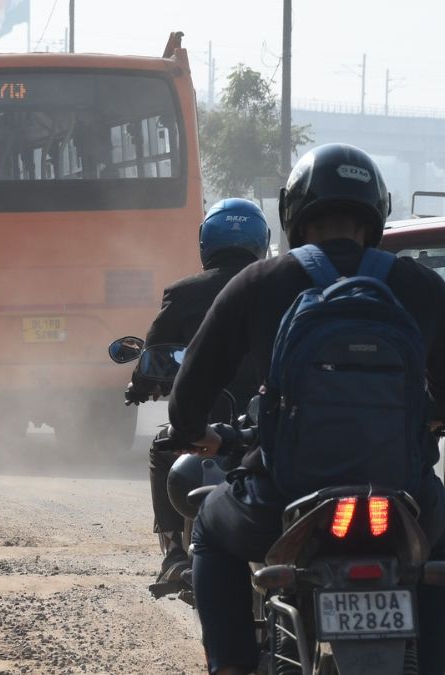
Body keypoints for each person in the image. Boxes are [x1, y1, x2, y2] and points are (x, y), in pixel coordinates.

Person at [166, 143, 445, 675]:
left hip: (282, 498)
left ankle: (233, 665)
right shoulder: (418, 284)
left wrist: (198, 432)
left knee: (209, 532)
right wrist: (434, 416)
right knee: (435, 549)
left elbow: (189, 391)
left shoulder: (260, 281)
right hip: (398, 497)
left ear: (293, 211)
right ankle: (438, 665)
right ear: (376, 211)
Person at [127, 198, 269, 590]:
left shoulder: (184, 292)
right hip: (268, 418)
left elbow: (154, 354)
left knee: (162, 448)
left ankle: (174, 553)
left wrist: (139, 387)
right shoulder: (277, 285)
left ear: (206, 241)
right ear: (261, 240)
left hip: (206, 423)